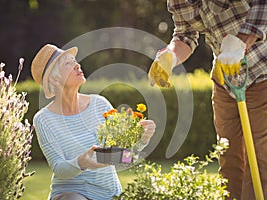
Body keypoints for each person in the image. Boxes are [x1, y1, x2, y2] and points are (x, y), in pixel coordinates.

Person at [148, 1, 267, 199]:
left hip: (261, 72)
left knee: (262, 157)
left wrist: (241, 41)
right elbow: (185, 34)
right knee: (229, 156)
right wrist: (171, 56)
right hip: (225, 80)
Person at [30, 44, 156, 200]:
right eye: (68, 63)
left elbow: (123, 157)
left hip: (110, 194)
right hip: (70, 194)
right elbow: (59, 168)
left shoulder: (99, 104)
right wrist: (81, 162)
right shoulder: (44, 119)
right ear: (54, 79)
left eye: (75, 61)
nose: (77, 65)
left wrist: (141, 139)